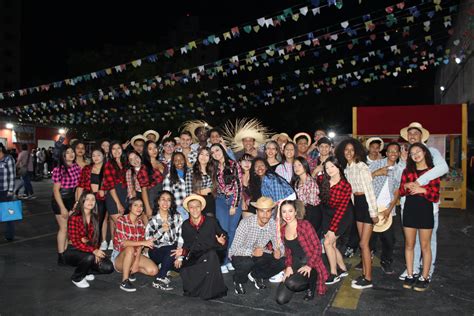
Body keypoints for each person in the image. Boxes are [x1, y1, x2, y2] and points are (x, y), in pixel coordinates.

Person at [398, 122, 448, 281]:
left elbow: (443, 168)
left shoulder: (430, 151)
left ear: (422, 136)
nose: (412, 136)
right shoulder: (406, 155)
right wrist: (402, 162)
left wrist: (419, 183)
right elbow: (401, 181)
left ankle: (428, 271)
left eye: (415, 133)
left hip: (428, 205)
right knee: (411, 242)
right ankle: (412, 269)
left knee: (428, 240)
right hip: (409, 204)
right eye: (409, 133)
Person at [336, 138, 378, 290]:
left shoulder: (362, 167)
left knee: (363, 244)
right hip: (358, 206)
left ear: (357, 151)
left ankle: (368, 278)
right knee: (363, 243)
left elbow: (369, 191)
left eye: (351, 150)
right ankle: (365, 274)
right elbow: (352, 193)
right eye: (346, 150)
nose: (348, 152)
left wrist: (373, 212)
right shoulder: (347, 169)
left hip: (367, 205)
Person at [399, 143, 440, 292]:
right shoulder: (407, 171)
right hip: (409, 208)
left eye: (418, 151)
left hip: (425, 210)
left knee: (425, 246)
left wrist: (422, 189)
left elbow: (435, 196)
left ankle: (425, 276)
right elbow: (401, 191)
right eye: (412, 153)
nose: (415, 154)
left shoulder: (432, 171)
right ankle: (410, 274)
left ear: (424, 152)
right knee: (409, 244)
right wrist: (406, 187)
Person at [173, 194, 228, 300]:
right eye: (191, 207)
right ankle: (198, 289)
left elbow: (223, 235)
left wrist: (222, 241)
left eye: (197, 206)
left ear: (201, 208)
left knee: (210, 257)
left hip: (213, 252)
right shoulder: (186, 225)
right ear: (188, 209)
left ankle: (209, 292)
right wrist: (182, 254)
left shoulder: (211, 221)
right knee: (185, 271)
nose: (195, 209)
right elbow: (188, 245)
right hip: (196, 254)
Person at [229, 197, 285, 295]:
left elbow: (279, 244)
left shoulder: (272, 224)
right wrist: (251, 252)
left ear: (271, 212)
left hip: (259, 254)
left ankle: (256, 275)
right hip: (241, 255)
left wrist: (279, 251)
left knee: (282, 261)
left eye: (268, 211)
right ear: (256, 211)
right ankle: (238, 280)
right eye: (262, 211)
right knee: (247, 262)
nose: (265, 215)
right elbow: (234, 250)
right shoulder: (245, 223)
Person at [276, 200, 329, 304]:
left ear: (295, 212)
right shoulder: (283, 230)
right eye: (284, 212)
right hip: (295, 263)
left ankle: (311, 283)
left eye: (290, 211)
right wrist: (289, 266)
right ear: (281, 214)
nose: (287, 215)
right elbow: (288, 252)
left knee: (292, 283)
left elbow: (318, 247)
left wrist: (309, 265)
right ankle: (300, 281)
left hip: (310, 262)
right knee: (280, 299)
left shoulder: (304, 225)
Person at [64, 192, 114, 288]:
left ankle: (86, 271)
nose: (90, 201)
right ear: (82, 201)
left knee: (108, 268)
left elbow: (95, 238)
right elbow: (76, 241)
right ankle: (77, 277)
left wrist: (94, 248)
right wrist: (93, 250)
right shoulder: (74, 217)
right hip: (72, 250)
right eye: (87, 199)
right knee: (90, 257)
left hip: (88, 249)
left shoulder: (95, 217)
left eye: (93, 199)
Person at [369, 142, 404, 274]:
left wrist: (389, 209)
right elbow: (365, 181)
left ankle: (386, 261)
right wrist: (377, 173)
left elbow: (397, 191)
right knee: (369, 238)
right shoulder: (376, 164)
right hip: (372, 207)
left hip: (387, 209)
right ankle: (366, 258)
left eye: (396, 151)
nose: (393, 153)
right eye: (391, 151)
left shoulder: (399, 170)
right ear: (386, 153)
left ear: (399, 154)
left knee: (389, 239)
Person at [111, 197, 159, 292]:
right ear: (130, 207)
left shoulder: (140, 223)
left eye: (141, 206)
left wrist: (136, 262)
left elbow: (140, 246)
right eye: (135, 205)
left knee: (154, 271)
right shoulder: (121, 220)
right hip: (119, 257)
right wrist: (144, 242)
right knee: (130, 248)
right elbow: (123, 243)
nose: (139, 208)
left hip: (135, 254)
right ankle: (125, 280)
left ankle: (130, 269)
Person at [319, 157, 352, 285]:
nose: (330, 170)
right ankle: (343, 269)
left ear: (338, 167)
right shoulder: (323, 180)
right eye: (327, 168)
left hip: (342, 215)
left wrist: (332, 229)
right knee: (331, 244)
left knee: (327, 243)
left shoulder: (345, 186)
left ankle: (333, 273)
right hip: (327, 214)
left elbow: (341, 209)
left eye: (332, 166)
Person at [210, 143, 242, 273]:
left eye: (217, 150)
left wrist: (234, 204)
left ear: (222, 150)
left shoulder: (233, 164)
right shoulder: (215, 167)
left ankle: (229, 258)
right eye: (212, 152)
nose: (215, 153)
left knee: (232, 230)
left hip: (234, 199)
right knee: (222, 230)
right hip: (221, 200)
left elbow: (239, 186)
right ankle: (223, 260)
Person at [145, 191, 183, 291]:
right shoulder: (153, 220)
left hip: (172, 251)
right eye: (163, 199)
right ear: (158, 201)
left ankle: (165, 268)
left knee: (182, 267)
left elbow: (181, 237)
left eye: (168, 200)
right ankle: (160, 278)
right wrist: (161, 230)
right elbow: (149, 242)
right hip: (156, 251)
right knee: (171, 248)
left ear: (171, 203)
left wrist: (179, 256)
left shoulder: (177, 217)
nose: (165, 202)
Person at [52, 145, 81, 265]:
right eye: (67, 153)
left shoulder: (77, 167)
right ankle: (61, 256)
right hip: (60, 200)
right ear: (63, 155)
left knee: (69, 229)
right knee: (63, 228)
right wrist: (63, 208)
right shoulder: (59, 169)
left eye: (72, 152)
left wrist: (76, 203)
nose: (71, 154)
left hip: (72, 199)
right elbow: (56, 191)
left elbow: (78, 187)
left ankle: (65, 253)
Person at [76, 148, 107, 246]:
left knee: (98, 225)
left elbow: (112, 185)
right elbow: (80, 186)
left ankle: (95, 247)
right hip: (87, 200)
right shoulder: (87, 168)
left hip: (100, 200)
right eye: (94, 155)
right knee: (86, 224)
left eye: (98, 155)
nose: (96, 157)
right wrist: (77, 202)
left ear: (103, 156)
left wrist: (104, 191)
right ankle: (84, 247)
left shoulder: (107, 169)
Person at [102, 141, 128, 250]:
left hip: (125, 195)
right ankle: (119, 255)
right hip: (114, 197)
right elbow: (110, 186)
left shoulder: (126, 163)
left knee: (121, 228)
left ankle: (118, 251)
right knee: (122, 227)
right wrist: (118, 203)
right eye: (113, 149)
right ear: (111, 152)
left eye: (118, 148)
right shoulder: (109, 164)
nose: (116, 151)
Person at [292, 157, 322, 234]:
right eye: (294, 166)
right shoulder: (297, 182)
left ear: (305, 166)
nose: (296, 168)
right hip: (303, 212)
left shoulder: (311, 182)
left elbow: (312, 204)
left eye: (299, 165)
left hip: (313, 212)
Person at [185, 147, 216, 217]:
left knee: (209, 223)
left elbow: (215, 186)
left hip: (209, 201)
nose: (204, 157)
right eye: (201, 154)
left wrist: (210, 189)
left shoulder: (212, 171)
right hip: (196, 201)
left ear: (210, 158)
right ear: (198, 155)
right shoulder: (191, 171)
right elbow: (189, 191)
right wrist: (200, 192)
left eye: (207, 155)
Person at [138, 140, 165, 218]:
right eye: (150, 149)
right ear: (146, 151)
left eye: (155, 147)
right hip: (152, 197)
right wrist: (147, 207)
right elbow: (143, 189)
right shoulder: (144, 167)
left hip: (164, 196)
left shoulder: (162, 163)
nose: (154, 150)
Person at [163, 152, 188, 220]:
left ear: (185, 160)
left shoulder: (190, 173)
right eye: (176, 160)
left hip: (192, 207)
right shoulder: (169, 177)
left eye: (181, 159)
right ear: (173, 162)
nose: (179, 162)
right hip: (178, 209)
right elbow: (166, 197)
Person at [0, 143, 16, 241]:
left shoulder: (8, 159)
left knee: (9, 214)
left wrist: (11, 190)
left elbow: (12, 176)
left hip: (5, 191)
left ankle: (9, 235)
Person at [238, 154, 253, 218]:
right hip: (240, 204)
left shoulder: (255, 175)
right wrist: (243, 201)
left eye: (249, 161)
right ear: (240, 163)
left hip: (255, 204)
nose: (247, 163)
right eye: (244, 160)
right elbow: (238, 191)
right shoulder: (237, 175)